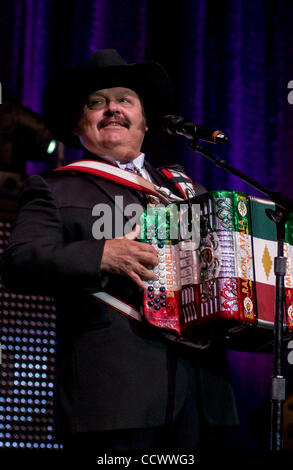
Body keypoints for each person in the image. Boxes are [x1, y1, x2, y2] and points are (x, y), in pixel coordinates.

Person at [0, 49, 238, 457]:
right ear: (79, 124)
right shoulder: (56, 188)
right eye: (96, 102)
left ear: (146, 121)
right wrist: (100, 255)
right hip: (114, 398)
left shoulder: (190, 192)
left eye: (124, 99)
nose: (111, 108)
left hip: (203, 398)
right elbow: (18, 261)